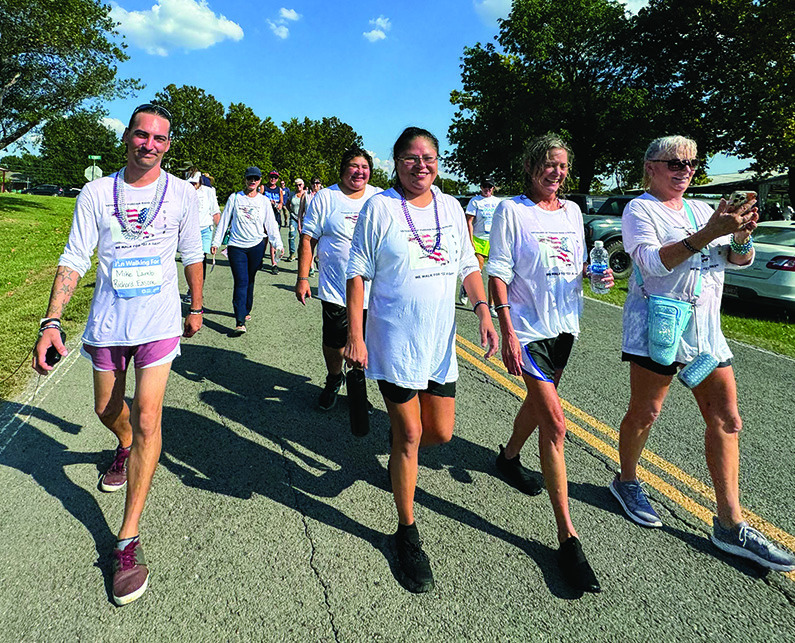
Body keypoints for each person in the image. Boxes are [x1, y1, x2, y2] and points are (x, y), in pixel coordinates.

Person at [32, 103, 204, 606]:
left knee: (149, 417)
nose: (149, 144)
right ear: (126, 137)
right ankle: (123, 444)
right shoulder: (94, 193)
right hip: (109, 323)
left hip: (158, 323)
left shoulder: (180, 195)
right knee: (108, 410)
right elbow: (73, 258)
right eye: (141, 135)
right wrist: (52, 322)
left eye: (159, 138)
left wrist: (196, 306)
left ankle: (126, 539)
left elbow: (191, 251)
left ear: (168, 145)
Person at [610, 135, 795, 572]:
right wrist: (711, 232)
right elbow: (651, 264)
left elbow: (737, 261)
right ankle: (627, 480)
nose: (684, 169)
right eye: (673, 162)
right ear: (650, 166)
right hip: (660, 329)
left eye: (691, 162)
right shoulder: (640, 209)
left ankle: (730, 523)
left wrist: (742, 237)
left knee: (728, 420)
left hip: (706, 335)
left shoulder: (701, 208)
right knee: (646, 413)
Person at [344, 127, 498, 593]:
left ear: (438, 161)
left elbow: (468, 265)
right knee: (410, 433)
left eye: (429, 156)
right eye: (411, 157)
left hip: (438, 344)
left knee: (441, 432)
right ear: (396, 162)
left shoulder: (451, 207)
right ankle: (406, 532)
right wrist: (355, 334)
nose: (421, 164)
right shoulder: (380, 207)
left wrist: (483, 311)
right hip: (392, 341)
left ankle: (399, 455)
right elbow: (357, 273)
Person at [487, 133, 614, 593]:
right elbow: (498, 270)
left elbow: (578, 264)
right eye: (548, 165)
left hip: (565, 327)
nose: (556, 173)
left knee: (543, 406)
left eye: (562, 166)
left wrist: (598, 273)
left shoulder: (574, 211)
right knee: (556, 424)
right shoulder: (511, 211)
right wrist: (507, 330)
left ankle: (507, 457)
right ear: (530, 166)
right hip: (528, 328)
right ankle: (567, 539)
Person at [296, 147, 381, 411]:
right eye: (354, 166)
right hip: (336, 287)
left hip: (372, 290)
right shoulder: (325, 197)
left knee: (364, 343)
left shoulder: (379, 197)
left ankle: (358, 388)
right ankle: (334, 377)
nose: (359, 171)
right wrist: (302, 277)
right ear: (343, 169)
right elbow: (308, 238)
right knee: (335, 342)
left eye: (364, 167)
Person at [211, 167, 282, 335]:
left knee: (250, 279)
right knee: (241, 281)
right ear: (245, 179)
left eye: (256, 179)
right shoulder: (235, 198)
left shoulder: (263, 201)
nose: (252, 181)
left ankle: (246, 308)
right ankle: (239, 320)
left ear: (260, 181)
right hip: (236, 246)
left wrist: (277, 243)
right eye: (250, 178)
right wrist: (216, 241)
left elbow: (271, 224)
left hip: (256, 245)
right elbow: (224, 220)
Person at [463, 177, 501, 314]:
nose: (487, 189)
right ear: (481, 187)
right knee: (477, 271)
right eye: (485, 186)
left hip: (493, 241)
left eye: (490, 187)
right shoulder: (475, 201)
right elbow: (469, 222)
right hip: (478, 240)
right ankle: (467, 288)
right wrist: (470, 241)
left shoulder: (498, 202)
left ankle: (491, 305)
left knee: (493, 274)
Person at [182, 167, 220, 302]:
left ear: (199, 181)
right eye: (190, 183)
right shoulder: (183, 192)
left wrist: (221, 234)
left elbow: (215, 212)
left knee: (201, 260)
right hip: (190, 230)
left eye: (194, 183)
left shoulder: (209, 192)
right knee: (190, 260)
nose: (192, 186)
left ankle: (196, 290)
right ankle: (191, 288)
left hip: (205, 230)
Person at [262, 170, 284, 274]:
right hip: (264, 216)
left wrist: (278, 205)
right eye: (271, 177)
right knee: (263, 240)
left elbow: (281, 202)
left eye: (275, 178)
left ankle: (274, 263)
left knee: (273, 240)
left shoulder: (279, 189)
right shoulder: (263, 187)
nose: (273, 179)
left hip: (275, 216)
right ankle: (259, 258)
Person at [285, 178, 307, 261]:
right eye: (296, 185)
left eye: (300, 185)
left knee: (303, 237)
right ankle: (292, 253)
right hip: (294, 217)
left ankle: (302, 254)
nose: (298, 187)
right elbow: (287, 203)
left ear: (303, 185)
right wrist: (290, 210)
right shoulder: (292, 194)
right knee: (291, 235)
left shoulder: (306, 194)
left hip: (303, 218)